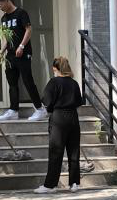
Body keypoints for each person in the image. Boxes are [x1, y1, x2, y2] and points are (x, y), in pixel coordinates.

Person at [0, 0, 47, 123]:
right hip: (11, 55)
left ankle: (40, 109)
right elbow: (6, 39)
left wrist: (22, 46)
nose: (0, 9)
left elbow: (29, 30)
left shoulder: (21, 13)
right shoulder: (4, 19)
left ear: (7, 0)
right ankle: (13, 110)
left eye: (1, 5)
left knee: (28, 80)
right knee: (12, 83)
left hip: (23, 54)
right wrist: (1, 52)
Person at [34, 56, 84, 193]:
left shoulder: (54, 82)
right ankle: (74, 183)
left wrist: (51, 109)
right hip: (73, 117)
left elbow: (47, 101)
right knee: (74, 151)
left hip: (58, 118)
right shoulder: (74, 83)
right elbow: (78, 101)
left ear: (55, 68)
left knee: (56, 151)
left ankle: (50, 185)